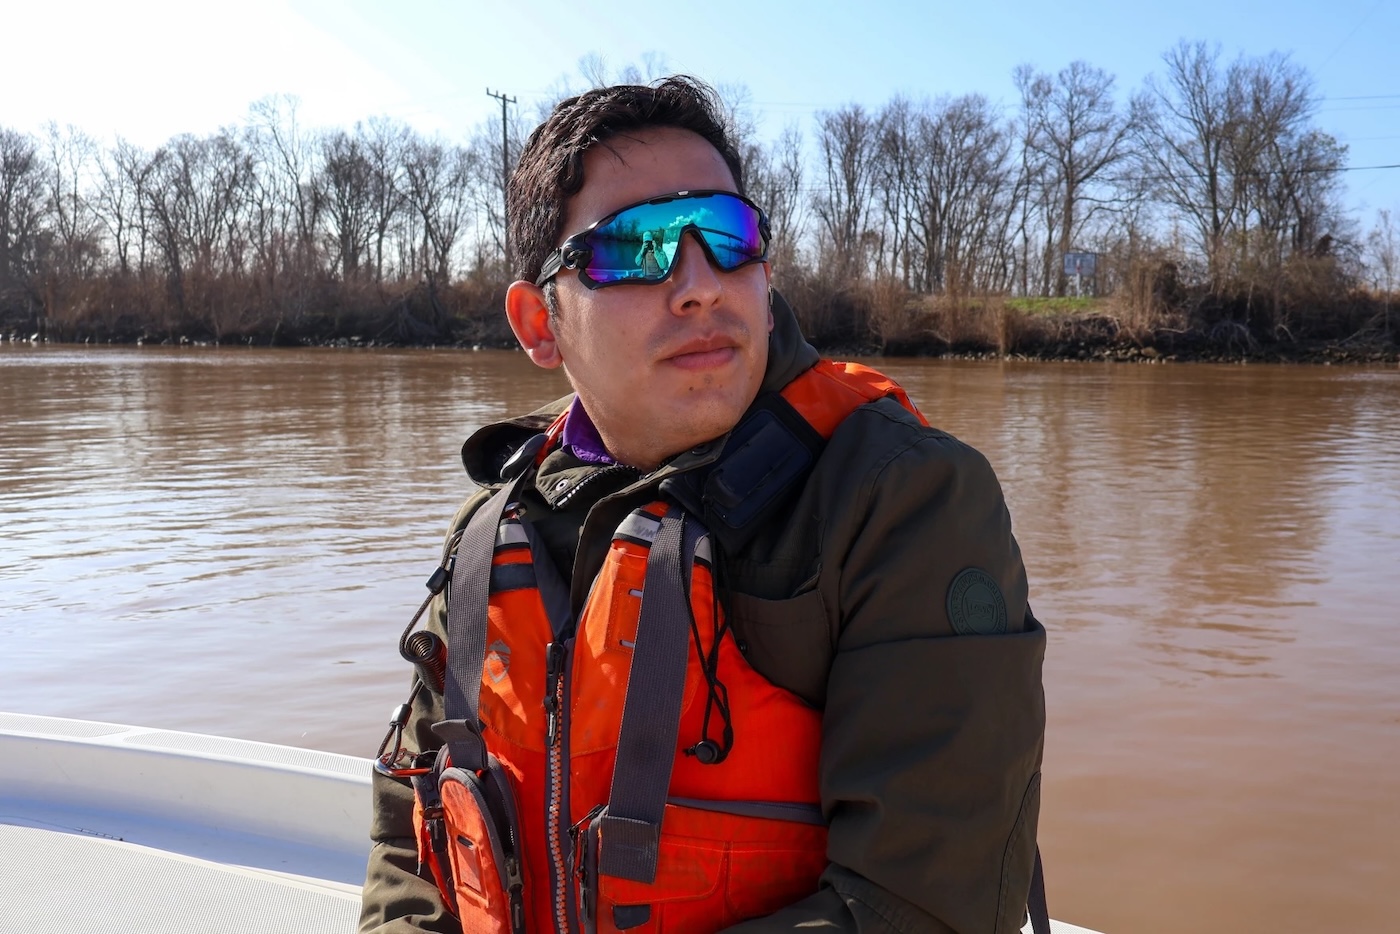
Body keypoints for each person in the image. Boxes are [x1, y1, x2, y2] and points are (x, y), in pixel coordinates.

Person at [359, 76, 1047, 934]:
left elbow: (925, 906)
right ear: (540, 323)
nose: (699, 284)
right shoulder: (492, 531)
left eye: (728, 236)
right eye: (635, 248)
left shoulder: (903, 499)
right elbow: (410, 831)